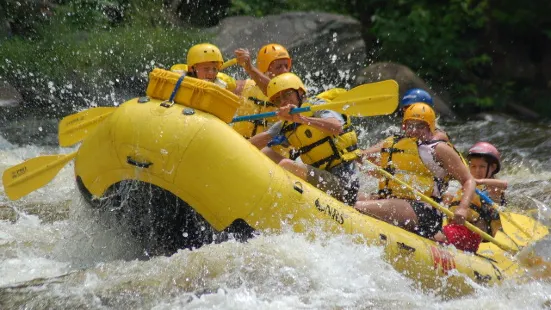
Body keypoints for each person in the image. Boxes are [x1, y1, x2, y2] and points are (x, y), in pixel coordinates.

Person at [354, 103, 476, 239]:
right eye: (410, 125)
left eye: (420, 126)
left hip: (424, 211)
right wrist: (351, 153)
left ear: (430, 127)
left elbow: (468, 180)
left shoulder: (439, 149)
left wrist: (463, 207)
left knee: (358, 206)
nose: (414, 130)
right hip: (392, 200)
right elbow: (362, 157)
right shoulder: (393, 142)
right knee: (351, 197)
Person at [249, 73, 360, 205]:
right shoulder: (286, 123)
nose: (283, 102)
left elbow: (336, 126)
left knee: (286, 165)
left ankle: (277, 201)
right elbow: (259, 141)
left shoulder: (317, 106)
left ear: (300, 92)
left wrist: (302, 119)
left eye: (287, 94)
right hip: (321, 177)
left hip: (344, 183)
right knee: (266, 152)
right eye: (277, 100)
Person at [437, 142, 506, 248]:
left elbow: (504, 184)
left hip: (471, 235)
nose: (477, 170)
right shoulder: (466, 186)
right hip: (454, 229)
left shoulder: (492, 188)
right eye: (473, 166)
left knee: (436, 236)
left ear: (492, 167)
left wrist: (479, 181)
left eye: (482, 167)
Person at [232, 43, 292, 138]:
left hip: (269, 150)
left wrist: (250, 68)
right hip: (240, 145)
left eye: (286, 66)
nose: (285, 71)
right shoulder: (243, 86)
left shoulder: (291, 91)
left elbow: (274, 89)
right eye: (279, 67)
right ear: (265, 68)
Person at [171, 43, 237, 91]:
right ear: (192, 69)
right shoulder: (177, 77)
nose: (211, 73)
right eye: (206, 69)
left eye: (214, 69)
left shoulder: (221, 86)